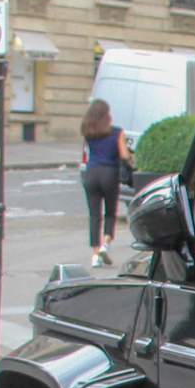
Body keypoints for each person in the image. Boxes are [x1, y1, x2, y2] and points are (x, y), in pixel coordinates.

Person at [78, 99, 131, 267]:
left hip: (91, 174)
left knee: (94, 215)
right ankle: (105, 244)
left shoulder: (87, 131)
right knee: (110, 212)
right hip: (109, 174)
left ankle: (95, 254)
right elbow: (124, 155)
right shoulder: (117, 133)